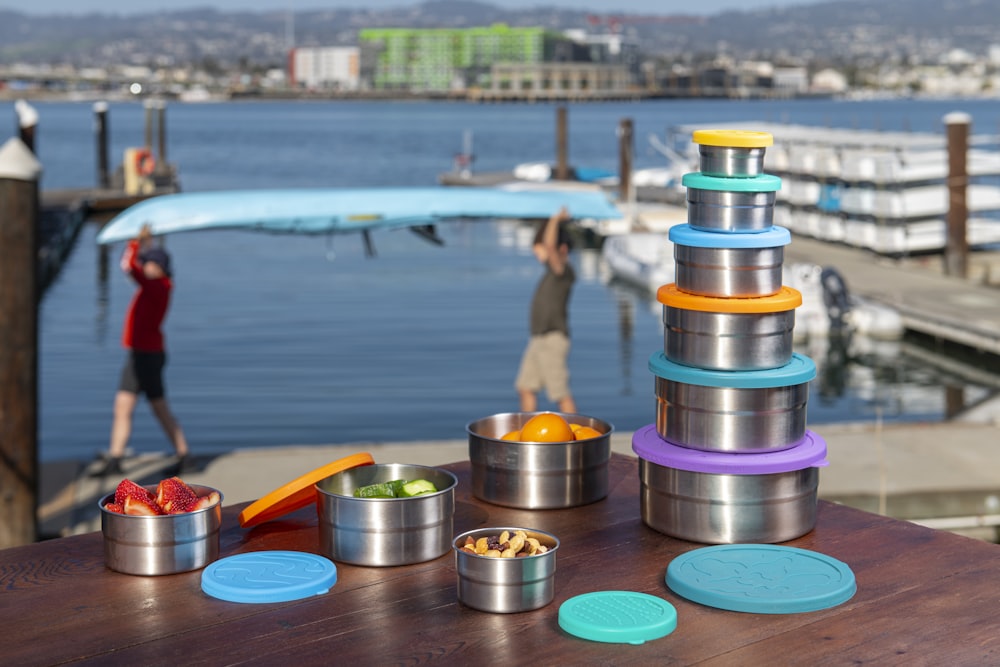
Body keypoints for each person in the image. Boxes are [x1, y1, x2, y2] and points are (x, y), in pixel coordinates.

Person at [91, 224, 190, 476]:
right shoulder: (155, 286)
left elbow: (128, 267)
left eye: (149, 263)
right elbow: (135, 268)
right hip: (139, 355)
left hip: (147, 357)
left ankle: (184, 454)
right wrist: (144, 244)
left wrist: (135, 242)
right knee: (124, 406)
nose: (145, 266)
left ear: (158, 268)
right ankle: (116, 458)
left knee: (158, 408)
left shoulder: (158, 287)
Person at [514, 206, 578, 414]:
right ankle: (527, 434)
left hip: (553, 339)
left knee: (560, 392)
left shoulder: (563, 271)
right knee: (525, 387)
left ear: (563, 249)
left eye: (540, 248)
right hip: (539, 338)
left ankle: (575, 439)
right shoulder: (551, 274)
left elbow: (550, 246)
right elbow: (548, 247)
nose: (538, 252)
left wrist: (554, 219)